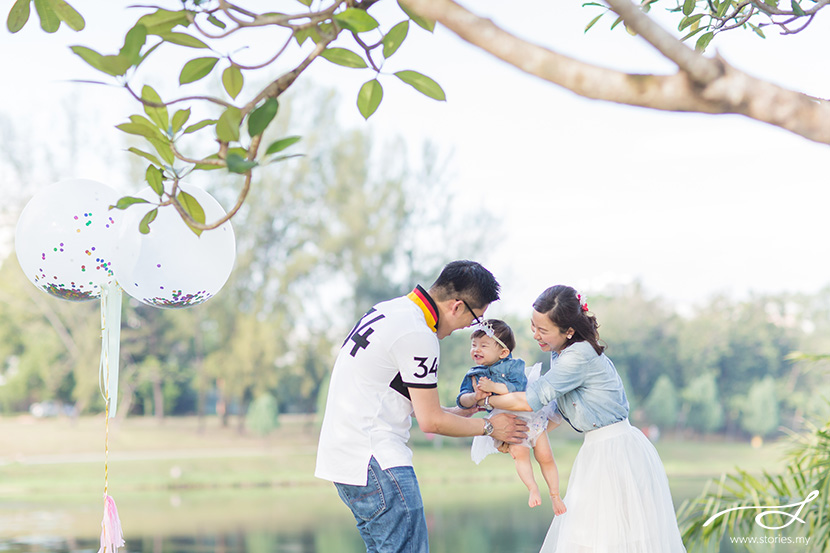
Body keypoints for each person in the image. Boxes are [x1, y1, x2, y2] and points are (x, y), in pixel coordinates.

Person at [315, 260, 529, 553]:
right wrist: (491, 426)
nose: (470, 327)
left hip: (348, 458)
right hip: (378, 460)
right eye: (476, 318)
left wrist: (462, 412)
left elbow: (403, 400)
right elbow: (431, 422)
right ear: (456, 306)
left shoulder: (389, 310)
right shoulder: (419, 334)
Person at [482, 285, 686, 553]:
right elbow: (555, 412)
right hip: (598, 451)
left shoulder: (577, 356)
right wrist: (522, 435)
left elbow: (530, 399)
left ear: (568, 331)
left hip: (615, 453)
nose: (535, 335)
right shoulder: (562, 354)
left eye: (543, 331)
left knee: (608, 540)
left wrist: (486, 400)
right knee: (590, 537)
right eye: (533, 327)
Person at [456, 319, 567, 513]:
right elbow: (462, 400)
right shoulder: (473, 373)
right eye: (473, 345)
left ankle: (555, 495)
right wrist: (474, 396)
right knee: (520, 455)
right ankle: (532, 488)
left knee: (546, 456)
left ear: (503, 352)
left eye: (483, 345)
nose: (476, 349)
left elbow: (517, 388)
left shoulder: (514, 366)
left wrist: (493, 388)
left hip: (530, 416)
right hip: (506, 423)